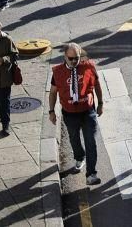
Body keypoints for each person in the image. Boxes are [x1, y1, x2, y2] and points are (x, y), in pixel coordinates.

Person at [48, 42, 104, 185]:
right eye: (70, 58)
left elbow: (96, 85)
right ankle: (80, 156)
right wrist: (51, 111)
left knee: (91, 141)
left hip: (87, 111)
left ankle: (91, 174)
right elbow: (53, 92)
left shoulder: (89, 67)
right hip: (69, 112)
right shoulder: (57, 72)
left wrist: (101, 103)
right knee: (74, 139)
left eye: (76, 58)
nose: (74, 61)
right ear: (65, 56)